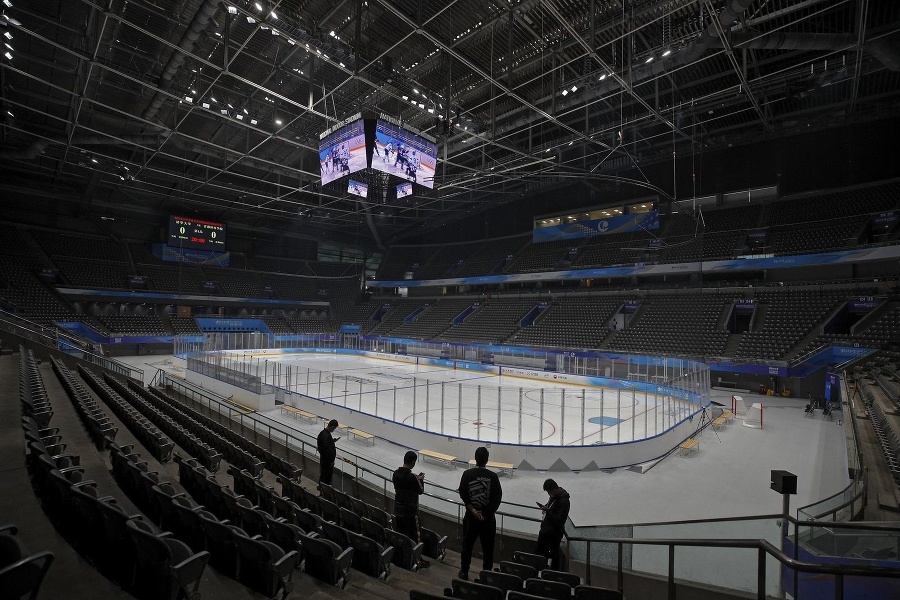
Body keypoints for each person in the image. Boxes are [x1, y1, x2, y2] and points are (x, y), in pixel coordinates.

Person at [457, 446, 502, 580]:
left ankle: (464, 571)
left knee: (467, 545)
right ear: (487, 460)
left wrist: (472, 509)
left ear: (475, 459)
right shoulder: (493, 476)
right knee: (488, 549)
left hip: (471, 517)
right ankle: (486, 574)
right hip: (487, 520)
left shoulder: (467, 474)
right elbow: (497, 497)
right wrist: (486, 513)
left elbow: (463, 492)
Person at [391, 451, 430, 568]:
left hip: (398, 508)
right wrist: (421, 479)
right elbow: (420, 490)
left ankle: (401, 558)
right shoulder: (413, 477)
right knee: (415, 536)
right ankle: (417, 559)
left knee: (401, 534)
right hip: (410, 511)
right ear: (413, 462)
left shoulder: (395, 473)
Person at [534, 478, 571, 570]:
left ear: (554, 489)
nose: (548, 494)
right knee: (539, 554)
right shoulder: (553, 497)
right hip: (545, 531)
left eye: (549, 492)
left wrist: (548, 511)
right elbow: (551, 506)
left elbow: (559, 520)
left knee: (552, 557)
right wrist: (546, 507)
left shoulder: (564, 502)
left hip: (553, 535)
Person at [316, 419, 340, 490]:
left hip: (323, 460)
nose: (334, 430)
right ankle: (325, 492)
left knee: (323, 475)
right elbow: (327, 450)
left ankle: (321, 489)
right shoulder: (326, 436)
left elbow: (323, 445)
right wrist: (331, 461)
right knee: (326, 478)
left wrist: (332, 441)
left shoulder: (322, 433)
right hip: (327, 462)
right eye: (334, 428)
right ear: (332, 426)